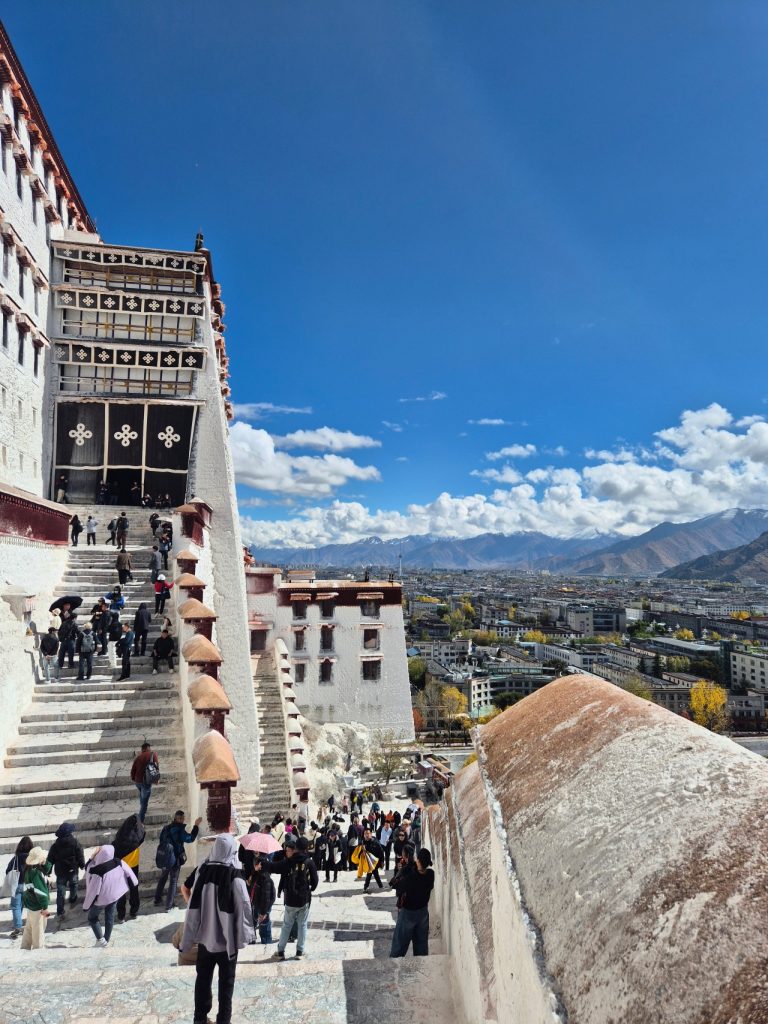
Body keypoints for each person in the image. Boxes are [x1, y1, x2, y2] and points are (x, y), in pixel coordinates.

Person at [181, 834, 254, 1024]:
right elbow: (244, 905)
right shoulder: (234, 875)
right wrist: (245, 936)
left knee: (203, 979)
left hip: (205, 939)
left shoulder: (201, 871)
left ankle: (200, 1018)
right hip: (227, 942)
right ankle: (223, 1020)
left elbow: (191, 894)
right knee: (226, 984)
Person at [265, 834, 318, 960]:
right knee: (302, 925)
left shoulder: (289, 862)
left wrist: (263, 864)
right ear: (306, 849)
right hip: (304, 899)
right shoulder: (309, 862)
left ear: (296, 848)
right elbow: (315, 882)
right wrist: (310, 889)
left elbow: (275, 867)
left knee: (286, 925)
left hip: (290, 899)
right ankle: (299, 952)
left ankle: (280, 951)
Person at [83, 844, 137, 947]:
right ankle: (106, 940)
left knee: (92, 917)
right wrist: (133, 883)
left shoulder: (97, 870)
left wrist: (87, 905)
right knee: (110, 916)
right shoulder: (117, 861)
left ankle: (101, 940)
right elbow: (130, 873)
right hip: (114, 896)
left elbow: (93, 889)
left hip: (101, 899)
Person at [389, 848, 434, 957]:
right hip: (423, 913)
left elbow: (394, 885)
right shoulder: (431, 874)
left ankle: (394, 966)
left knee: (399, 947)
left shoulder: (411, 878)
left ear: (418, 861)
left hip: (408, 914)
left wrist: (402, 869)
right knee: (421, 947)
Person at [154, 810, 202, 911]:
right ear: (177, 818)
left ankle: (157, 899)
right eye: (181, 818)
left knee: (163, 877)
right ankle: (169, 905)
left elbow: (161, 840)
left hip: (164, 857)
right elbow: (190, 838)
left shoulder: (166, 828)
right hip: (174, 859)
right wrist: (196, 826)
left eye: (182, 818)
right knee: (173, 881)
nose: (182, 820)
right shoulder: (180, 830)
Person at [47, 821, 85, 918]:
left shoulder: (55, 846)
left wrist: (48, 870)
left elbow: (50, 859)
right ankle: (72, 898)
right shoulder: (75, 842)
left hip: (60, 872)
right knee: (74, 885)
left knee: (60, 892)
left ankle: (60, 911)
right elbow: (80, 854)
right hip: (72, 869)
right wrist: (82, 865)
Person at [113, 814, 145, 922]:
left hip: (121, 866)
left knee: (121, 891)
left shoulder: (120, 835)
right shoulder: (137, 837)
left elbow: (114, 848)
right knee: (134, 889)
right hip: (133, 867)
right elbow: (143, 834)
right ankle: (133, 911)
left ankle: (121, 915)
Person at [20, 846, 52, 949]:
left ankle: (25, 946)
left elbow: (47, 869)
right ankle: (38, 948)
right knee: (38, 928)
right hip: (37, 904)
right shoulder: (36, 872)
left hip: (31, 902)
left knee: (29, 927)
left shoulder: (30, 868)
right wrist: (45, 907)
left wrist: (44, 862)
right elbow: (41, 892)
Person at [5, 835, 32, 938]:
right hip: (29, 885)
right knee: (23, 905)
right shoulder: (31, 858)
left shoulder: (16, 858)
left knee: (16, 906)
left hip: (17, 885)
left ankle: (18, 927)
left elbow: (7, 870)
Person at [249, 855, 276, 945]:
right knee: (253, 922)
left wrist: (263, 912)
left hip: (264, 906)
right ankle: (252, 939)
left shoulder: (265, 878)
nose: (254, 865)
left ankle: (266, 942)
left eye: (255, 864)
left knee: (264, 925)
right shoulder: (257, 874)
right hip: (256, 903)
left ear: (260, 865)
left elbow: (266, 897)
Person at [130, 742, 159, 822]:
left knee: (142, 795)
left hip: (137, 781)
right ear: (148, 748)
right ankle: (140, 821)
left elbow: (133, 770)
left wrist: (134, 779)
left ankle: (142, 809)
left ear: (143, 749)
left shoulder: (138, 757)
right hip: (146, 781)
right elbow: (156, 767)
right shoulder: (153, 754)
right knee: (144, 802)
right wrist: (156, 779)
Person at [362, 827, 385, 891]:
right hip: (369, 862)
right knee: (375, 874)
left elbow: (381, 852)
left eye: (368, 833)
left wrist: (382, 861)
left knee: (370, 874)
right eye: (365, 834)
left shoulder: (375, 842)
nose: (367, 835)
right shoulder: (363, 842)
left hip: (375, 862)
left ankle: (366, 887)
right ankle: (380, 886)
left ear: (371, 834)